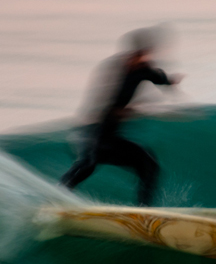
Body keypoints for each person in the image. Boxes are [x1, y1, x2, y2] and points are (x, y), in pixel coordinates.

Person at [60, 27, 182, 206]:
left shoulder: (143, 70)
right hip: (90, 133)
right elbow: (101, 103)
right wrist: (125, 111)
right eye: (141, 54)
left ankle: (143, 213)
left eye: (147, 54)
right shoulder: (114, 69)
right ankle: (57, 195)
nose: (144, 59)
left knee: (148, 163)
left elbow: (158, 76)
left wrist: (170, 81)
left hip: (111, 137)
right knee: (88, 163)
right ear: (133, 52)